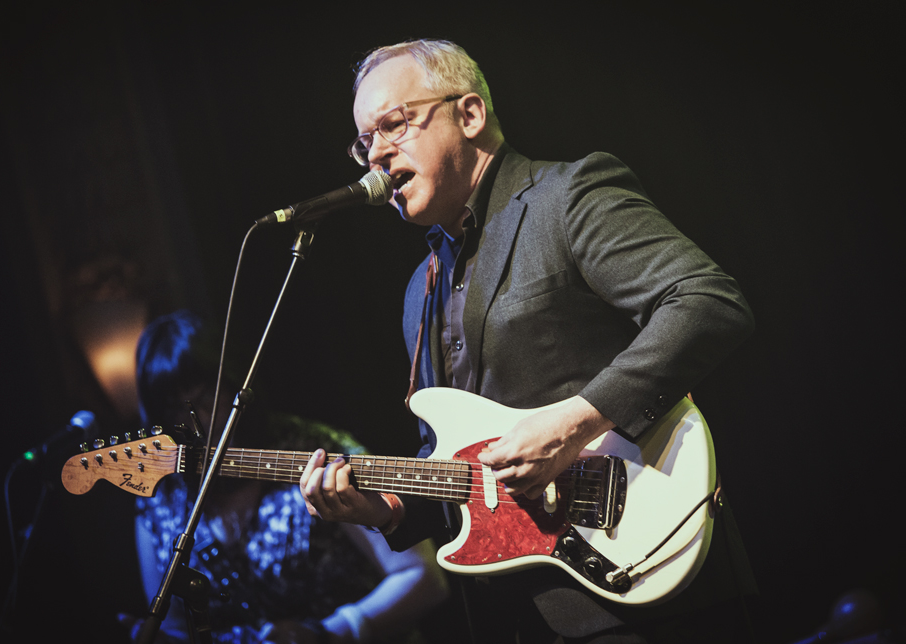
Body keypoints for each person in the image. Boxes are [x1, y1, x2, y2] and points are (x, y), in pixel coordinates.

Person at [299, 40, 757, 643]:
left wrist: (573, 423)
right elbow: (455, 468)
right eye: (365, 141)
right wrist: (384, 511)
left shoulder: (566, 197)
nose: (377, 155)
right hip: (514, 617)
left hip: (647, 590)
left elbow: (707, 303)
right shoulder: (420, 289)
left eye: (394, 124)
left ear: (469, 115)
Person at [129, 310, 449, 643]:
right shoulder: (161, 495)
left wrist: (331, 633)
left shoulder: (317, 451)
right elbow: (175, 625)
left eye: (206, 397)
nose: (199, 421)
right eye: (178, 408)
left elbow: (423, 576)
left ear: (234, 386)